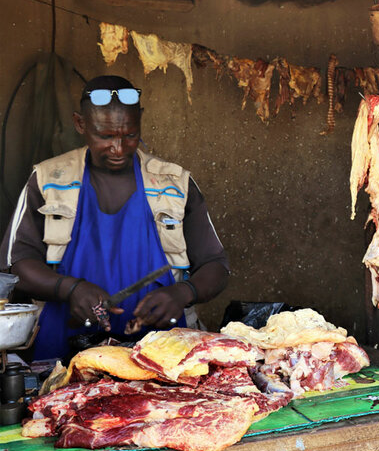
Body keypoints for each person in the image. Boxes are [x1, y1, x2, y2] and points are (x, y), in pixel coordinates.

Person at [0, 75, 229, 359]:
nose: (118, 149)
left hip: (161, 351)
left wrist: (183, 293)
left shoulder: (175, 183)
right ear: (80, 124)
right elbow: (15, 265)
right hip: (61, 349)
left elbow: (216, 265)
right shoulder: (48, 179)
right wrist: (68, 288)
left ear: (140, 121)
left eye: (129, 135)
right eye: (105, 136)